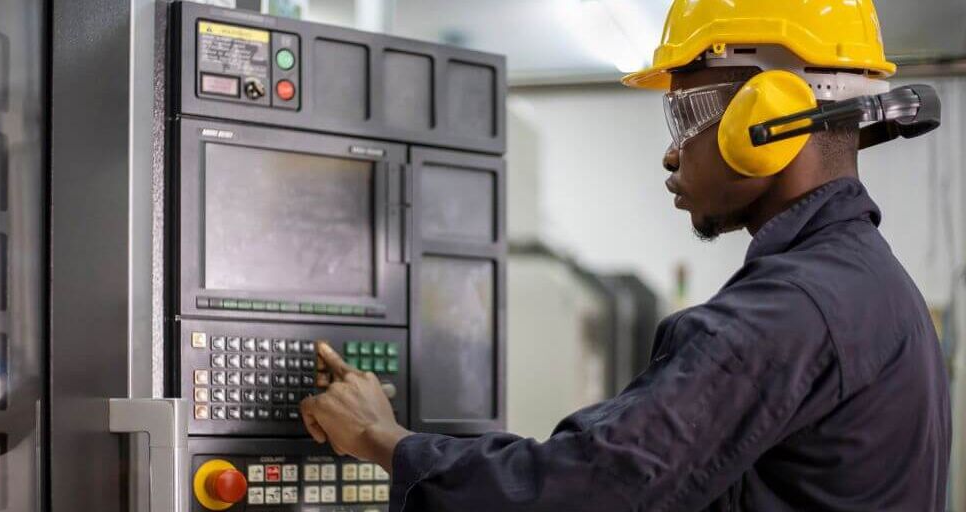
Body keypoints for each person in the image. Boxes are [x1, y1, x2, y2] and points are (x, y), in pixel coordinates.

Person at [300, 1, 952, 510]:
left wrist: (382, 440)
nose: (673, 153)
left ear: (766, 120)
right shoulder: (875, 287)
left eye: (685, 115)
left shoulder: (787, 313)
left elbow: (586, 487)